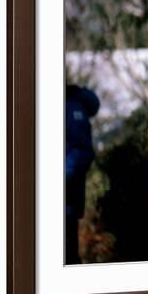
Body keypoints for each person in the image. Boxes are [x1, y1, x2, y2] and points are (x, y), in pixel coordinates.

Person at [65, 84, 100, 264]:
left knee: (67, 256)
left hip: (66, 202)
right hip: (67, 201)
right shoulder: (71, 106)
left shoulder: (72, 109)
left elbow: (80, 152)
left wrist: (63, 180)